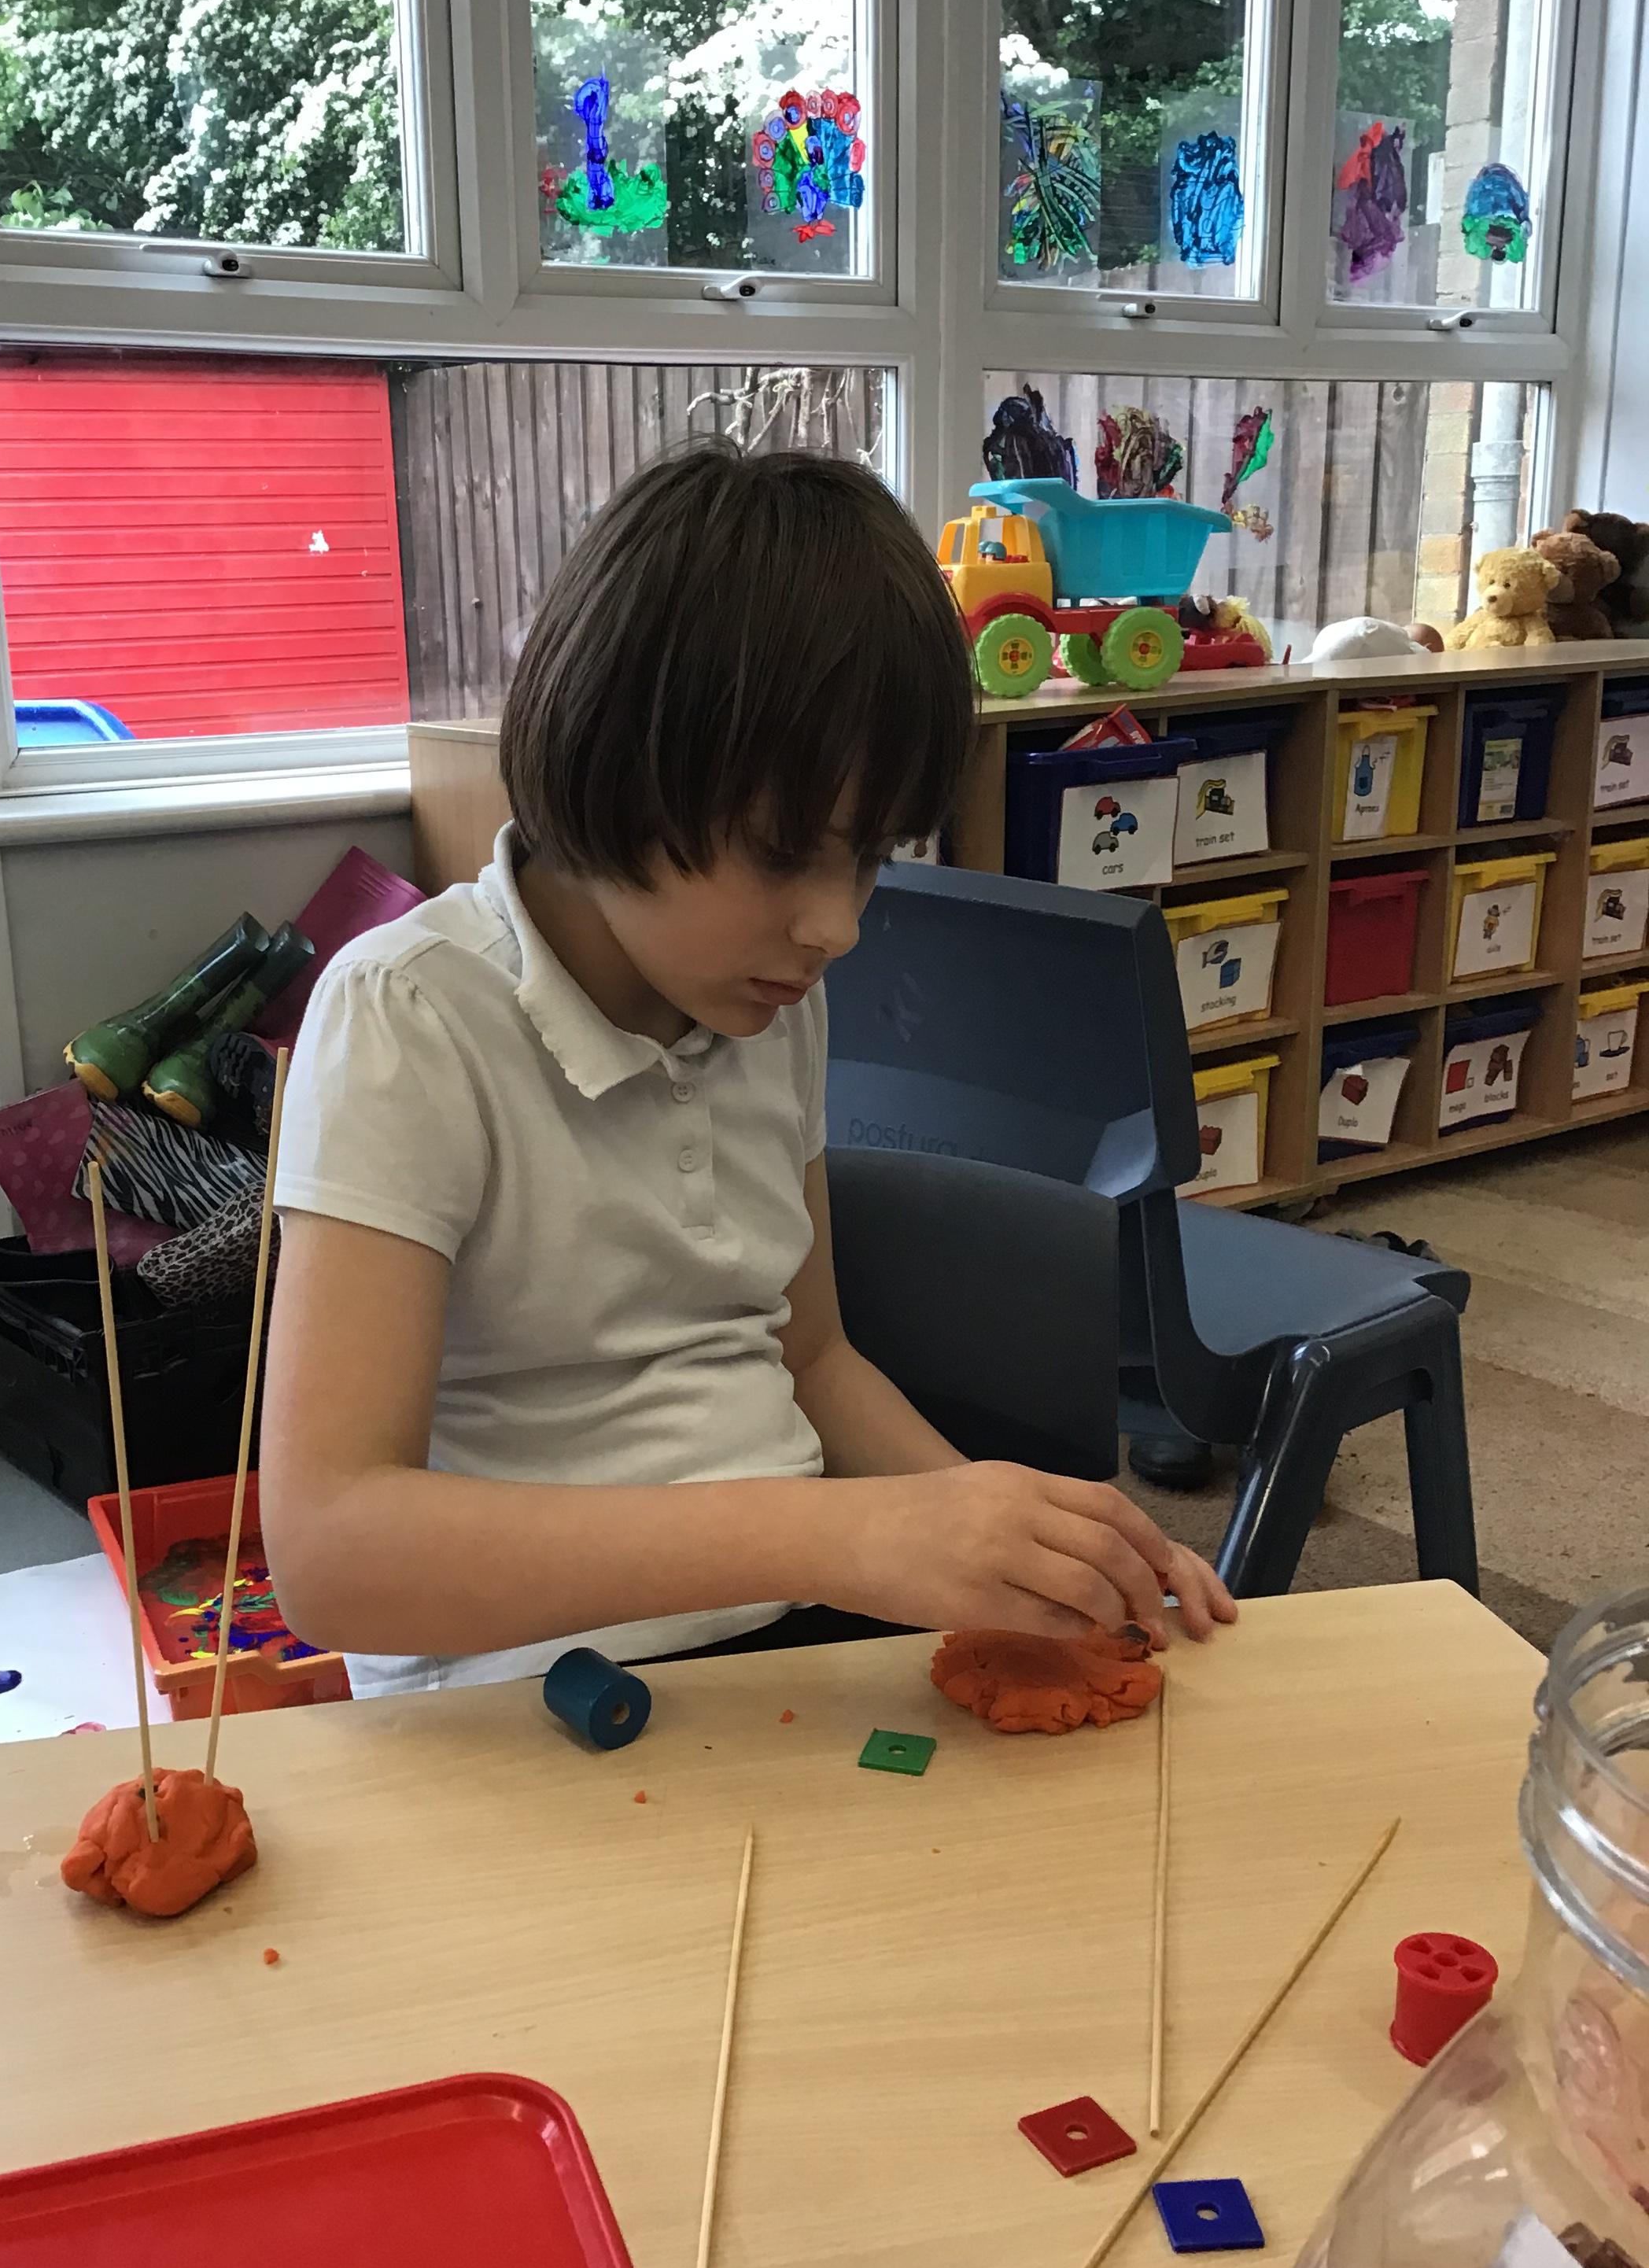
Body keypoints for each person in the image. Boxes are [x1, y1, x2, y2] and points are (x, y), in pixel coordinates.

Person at [262, 442, 1234, 1694]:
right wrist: (833, 1536)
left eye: (870, 857)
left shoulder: (768, 1000)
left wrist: (1018, 1544)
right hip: (522, 1695)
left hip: (787, 1629)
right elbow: (331, 1550)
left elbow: (810, 1356)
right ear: (618, 769)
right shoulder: (408, 1017)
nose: (838, 927)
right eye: (782, 854)